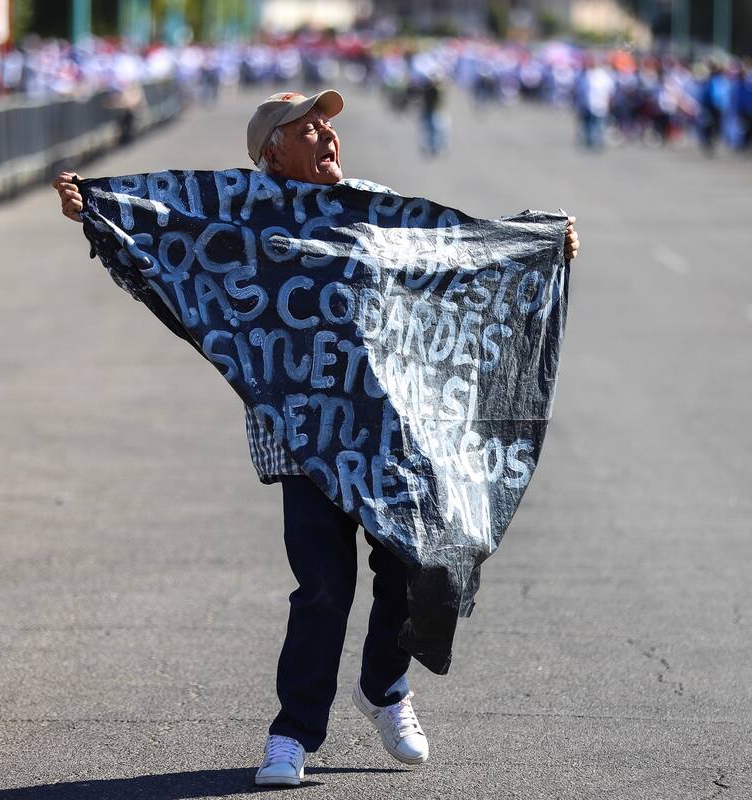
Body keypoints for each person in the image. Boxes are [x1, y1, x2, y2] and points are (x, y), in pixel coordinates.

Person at [52, 90, 580, 788]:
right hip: (303, 439)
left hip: (394, 437)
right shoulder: (240, 216)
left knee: (414, 567)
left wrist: (535, 247)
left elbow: (453, 255)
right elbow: (168, 254)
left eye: (328, 124)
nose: (327, 135)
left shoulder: (370, 205)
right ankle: (293, 734)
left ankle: (383, 687)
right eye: (307, 128)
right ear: (272, 152)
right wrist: (96, 212)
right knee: (323, 589)